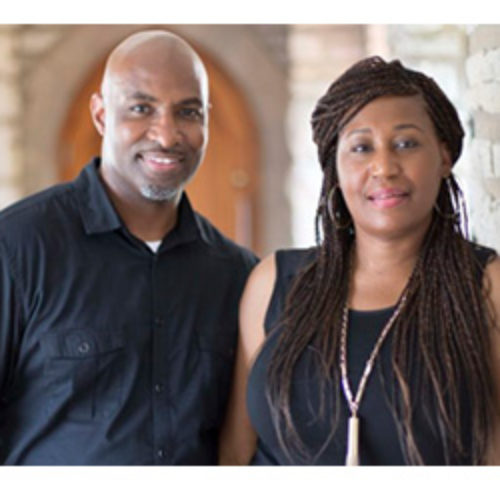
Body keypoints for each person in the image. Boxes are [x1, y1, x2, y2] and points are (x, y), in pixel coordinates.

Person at [219, 56, 500, 466]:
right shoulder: (273, 282)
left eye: (406, 143)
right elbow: (235, 451)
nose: (383, 166)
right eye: (361, 147)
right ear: (335, 166)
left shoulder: (486, 287)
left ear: (443, 156)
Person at [0, 30, 257, 465]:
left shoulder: (237, 275)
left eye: (188, 112)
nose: (167, 134)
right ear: (101, 115)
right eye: (142, 108)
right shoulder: (18, 248)